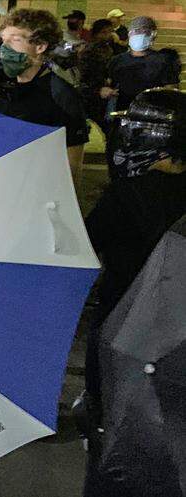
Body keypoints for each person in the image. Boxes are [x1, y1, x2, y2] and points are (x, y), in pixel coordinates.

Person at [81, 89, 186, 496]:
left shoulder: (126, 195)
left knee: (113, 433)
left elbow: (88, 245)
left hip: (123, 331)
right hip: (179, 337)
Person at [0, 8, 89, 182]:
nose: (4, 48)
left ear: (40, 46)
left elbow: (72, 163)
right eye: (3, 40)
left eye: (15, 40)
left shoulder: (62, 95)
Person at [103, 16, 181, 114]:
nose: (140, 35)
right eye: (136, 31)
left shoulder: (163, 61)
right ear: (129, 34)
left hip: (151, 116)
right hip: (122, 114)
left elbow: (172, 90)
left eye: (145, 32)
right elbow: (108, 84)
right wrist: (105, 91)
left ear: (153, 35)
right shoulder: (117, 60)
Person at [78, 19, 119, 131]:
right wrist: (98, 89)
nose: (108, 35)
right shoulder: (89, 50)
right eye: (104, 32)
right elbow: (84, 75)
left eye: (110, 32)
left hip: (103, 93)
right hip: (91, 94)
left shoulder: (108, 48)